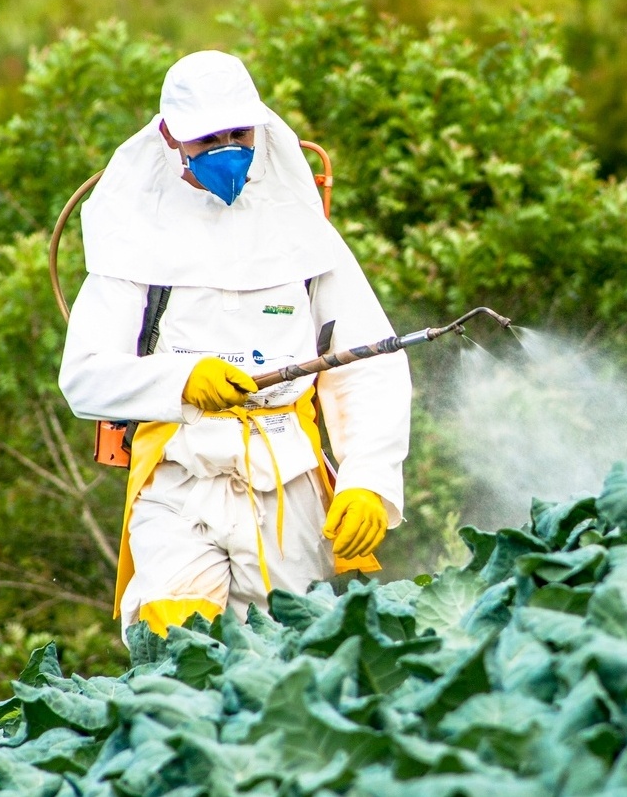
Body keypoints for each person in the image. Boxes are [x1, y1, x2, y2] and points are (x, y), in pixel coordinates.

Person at [58, 50, 411, 640]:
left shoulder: (299, 228)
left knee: (293, 655)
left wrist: (369, 481)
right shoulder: (135, 232)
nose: (227, 148)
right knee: (176, 647)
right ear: (170, 136)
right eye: (207, 138)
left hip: (289, 479)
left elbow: (369, 362)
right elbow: (84, 376)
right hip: (179, 476)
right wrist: (181, 381)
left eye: (239, 134)